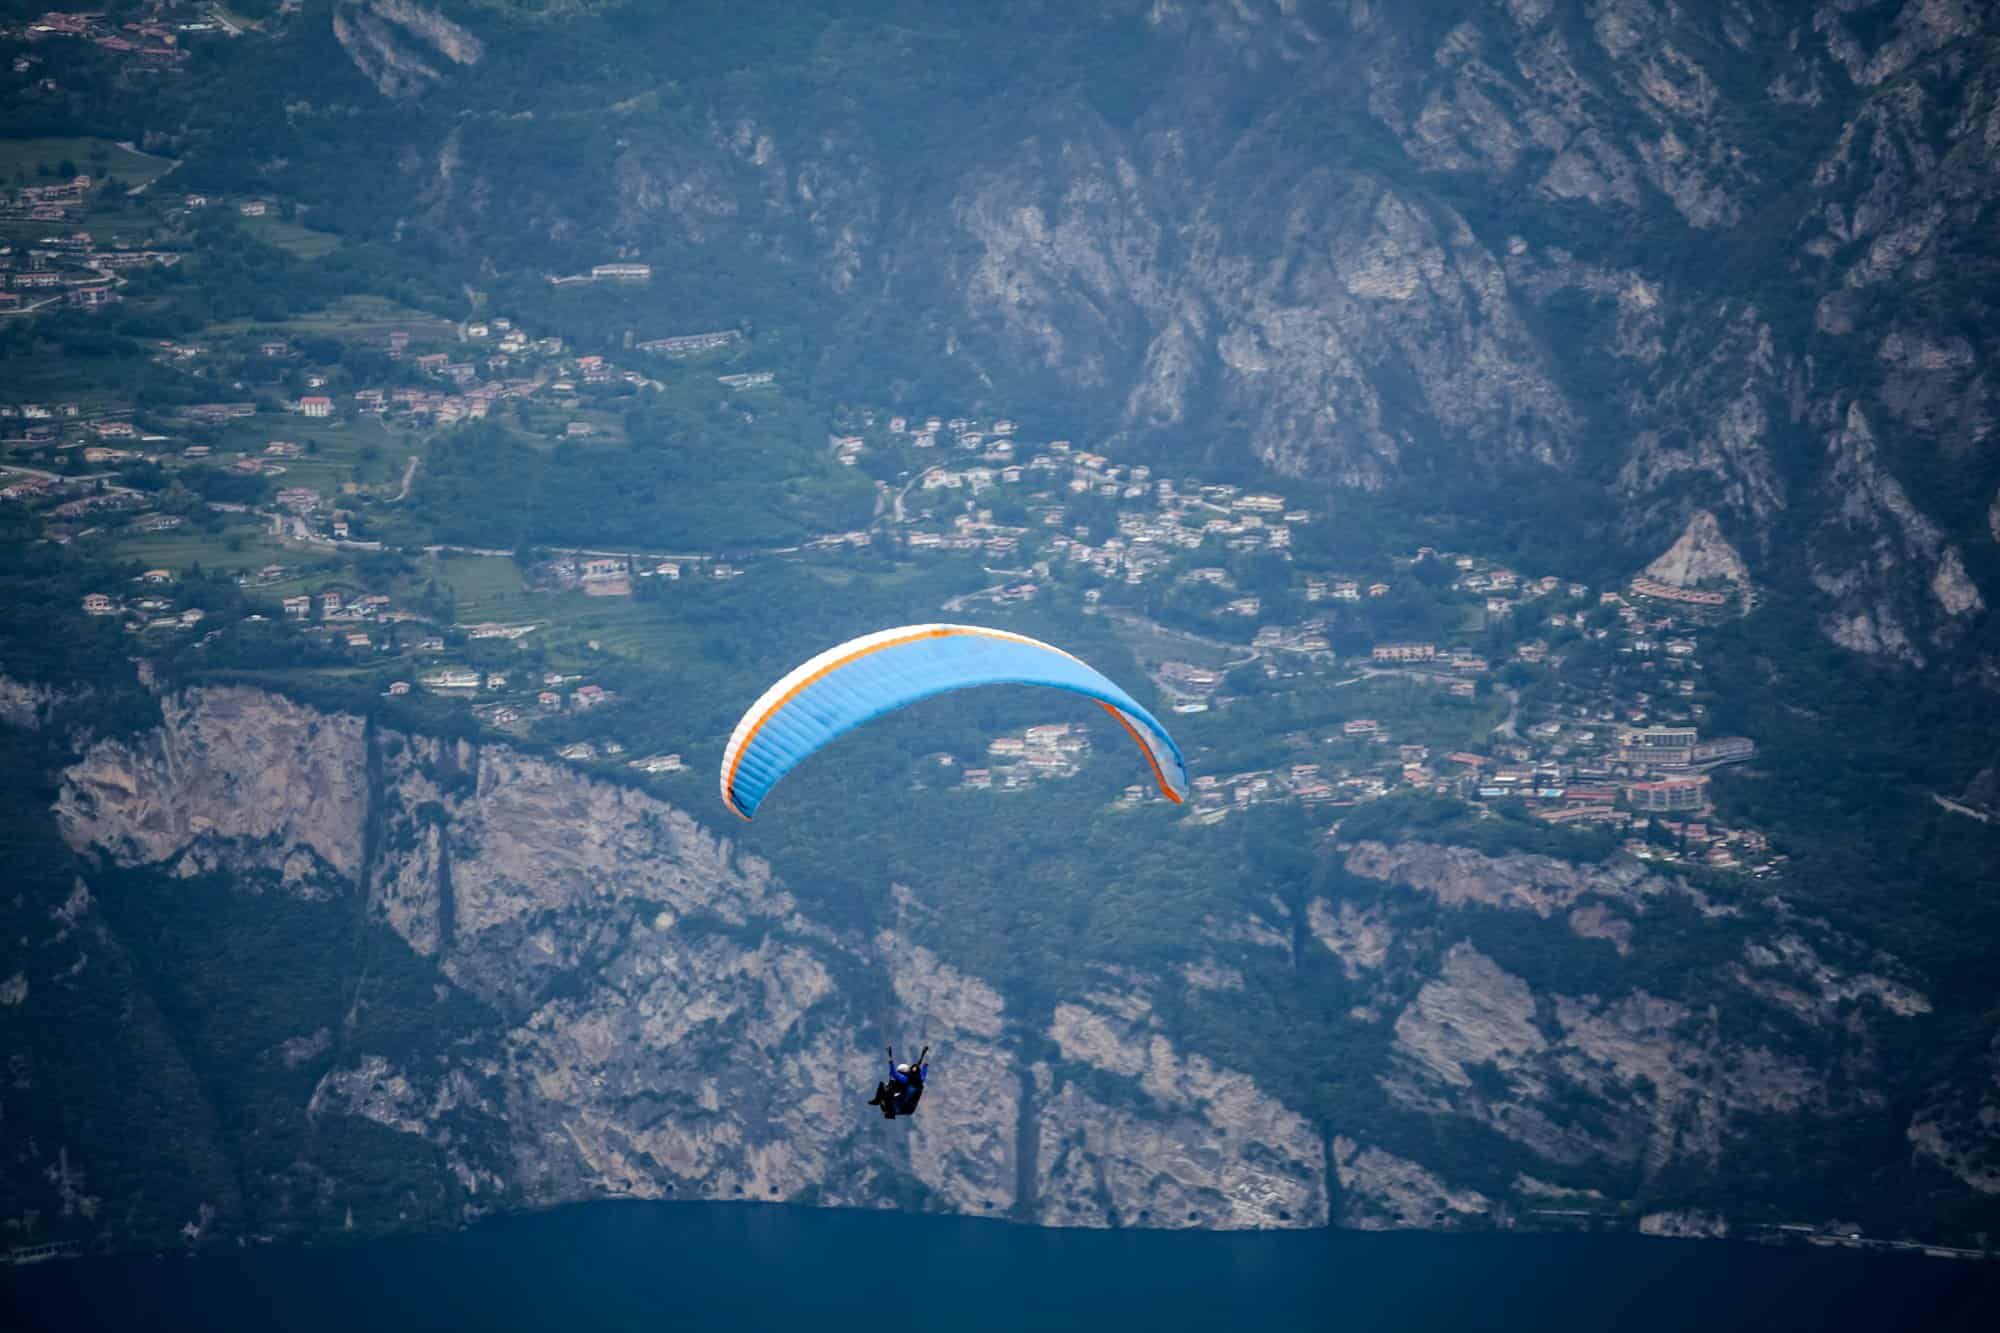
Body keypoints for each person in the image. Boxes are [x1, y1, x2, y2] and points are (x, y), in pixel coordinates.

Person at [867, 1045, 929, 1119]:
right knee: (892, 1088)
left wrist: (891, 1060)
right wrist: (925, 1059)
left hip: (897, 1107)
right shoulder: (920, 1080)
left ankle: (877, 1101)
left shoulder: (905, 1080)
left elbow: (894, 1074)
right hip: (907, 1109)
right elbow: (924, 1071)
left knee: (884, 1085)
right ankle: (889, 1111)